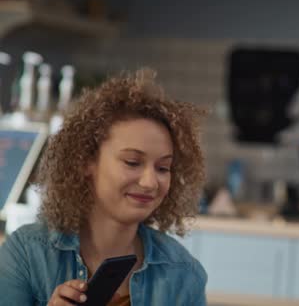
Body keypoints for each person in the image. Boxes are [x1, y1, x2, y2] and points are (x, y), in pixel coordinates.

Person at [0, 69, 208, 305]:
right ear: (86, 162)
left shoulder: (184, 274)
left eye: (163, 168)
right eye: (132, 162)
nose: (150, 182)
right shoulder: (27, 254)